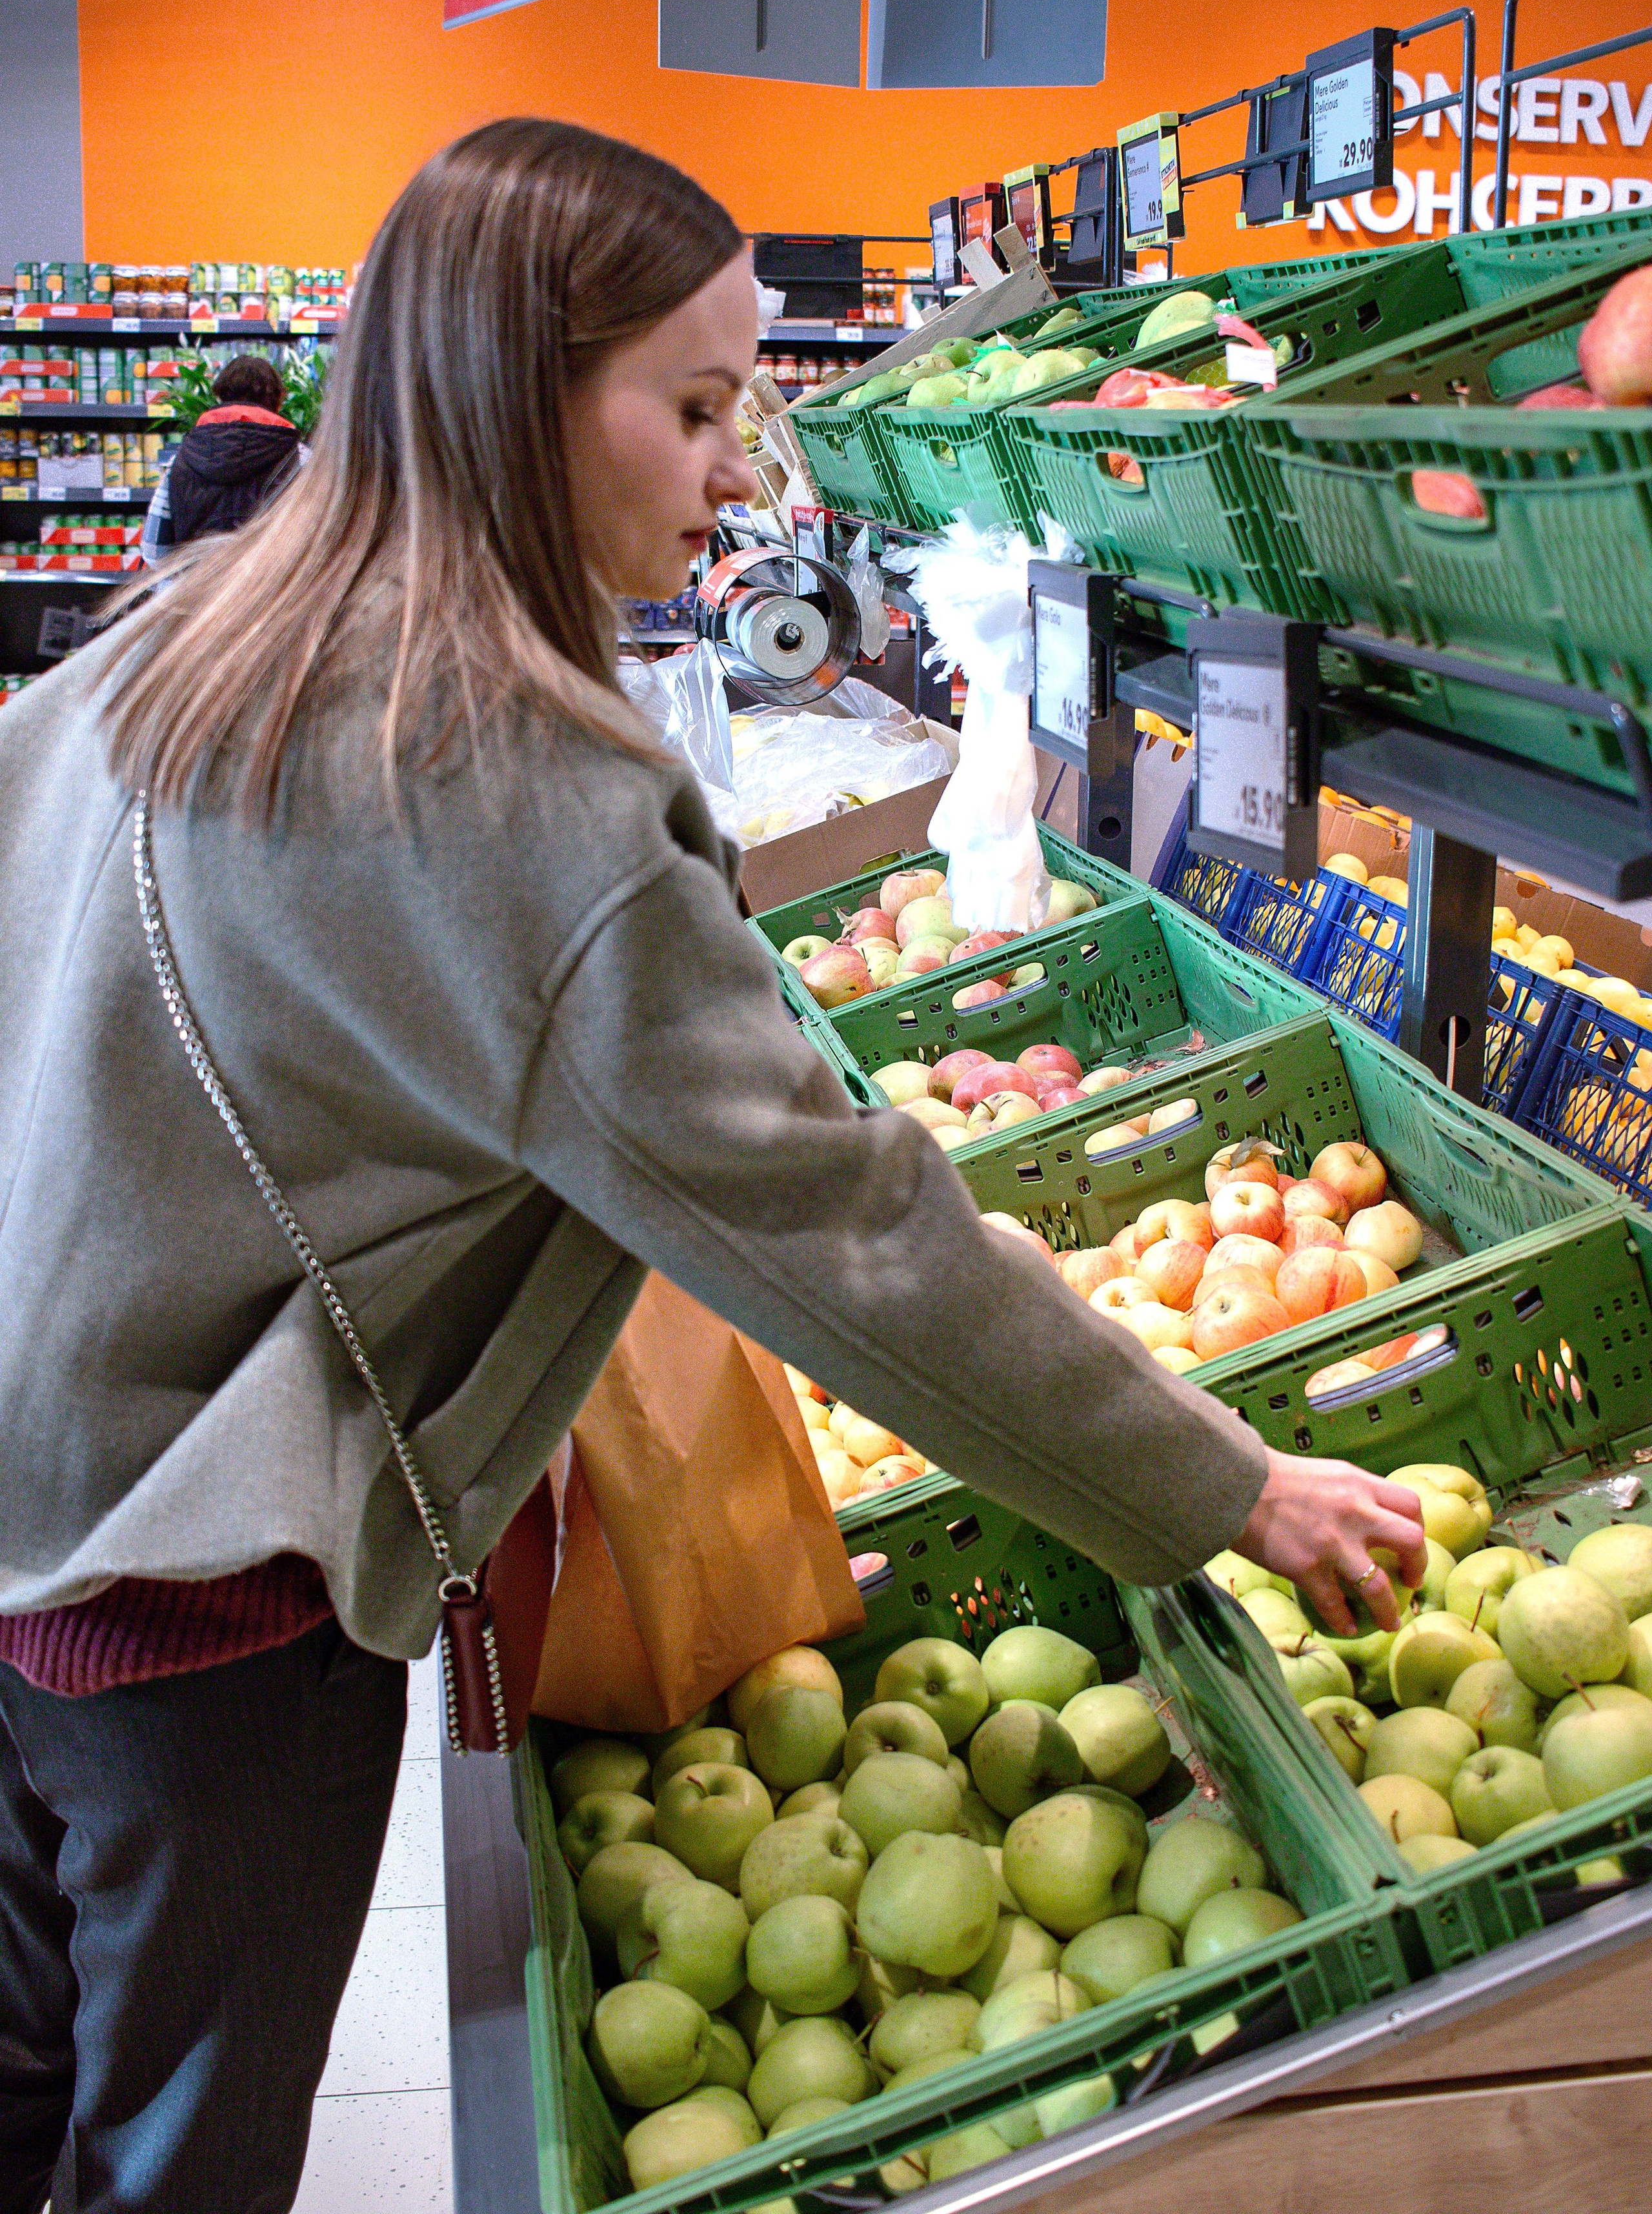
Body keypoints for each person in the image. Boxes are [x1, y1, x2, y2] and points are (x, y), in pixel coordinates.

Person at [0, 119, 1425, 2214]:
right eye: (687, 407)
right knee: (175, 2154)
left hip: (38, 1510)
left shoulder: (174, 644)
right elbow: (854, 1239)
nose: (736, 472)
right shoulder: (519, 786)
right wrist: (1225, 1486)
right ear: (517, 395)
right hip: (203, 1606)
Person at [138, 351, 303, 565]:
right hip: (272, 593)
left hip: (200, 592)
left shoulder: (182, 459)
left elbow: (154, 550)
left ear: (221, 396)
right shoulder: (300, 459)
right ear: (279, 400)